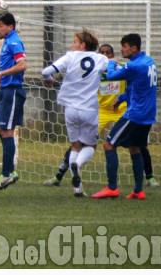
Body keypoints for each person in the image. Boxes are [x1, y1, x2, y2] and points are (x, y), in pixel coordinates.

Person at [43, 44, 160, 188]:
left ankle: (150, 177)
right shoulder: (97, 68)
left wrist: (123, 97)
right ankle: (58, 175)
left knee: (137, 144)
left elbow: (133, 83)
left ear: (112, 54)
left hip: (122, 109)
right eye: (102, 52)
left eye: (108, 53)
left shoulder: (121, 68)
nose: (105, 55)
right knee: (80, 142)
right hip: (102, 110)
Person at [41, 29, 109, 197]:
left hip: (70, 108)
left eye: (74, 42)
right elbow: (113, 70)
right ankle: (77, 166)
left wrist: (50, 80)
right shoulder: (102, 59)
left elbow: (46, 72)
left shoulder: (70, 57)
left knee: (75, 145)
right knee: (91, 146)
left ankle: (77, 188)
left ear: (82, 45)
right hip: (89, 109)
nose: (72, 45)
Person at [92, 33, 158, 200]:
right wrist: (121, 98)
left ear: (133, 48)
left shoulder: (134, 65)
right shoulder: (149, 62)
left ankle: (112, 188)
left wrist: (112, 63)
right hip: (148, 115)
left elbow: (112, 76)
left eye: (124, 46)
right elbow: (137, 86)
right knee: (135, 148)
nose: (121, 49)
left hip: (135, 115)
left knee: (108, 145)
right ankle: (138, 190)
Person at [0, 12, 27, 191]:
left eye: (0, 25)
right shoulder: (7, 42)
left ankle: (7, 174)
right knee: (3, 130)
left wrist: (1, 73)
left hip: (12, 91)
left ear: (10, 27)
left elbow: (22, 65)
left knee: (7, 132)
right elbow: (10, 58)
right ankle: (8, 172)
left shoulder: (13, 41)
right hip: (6, 91)